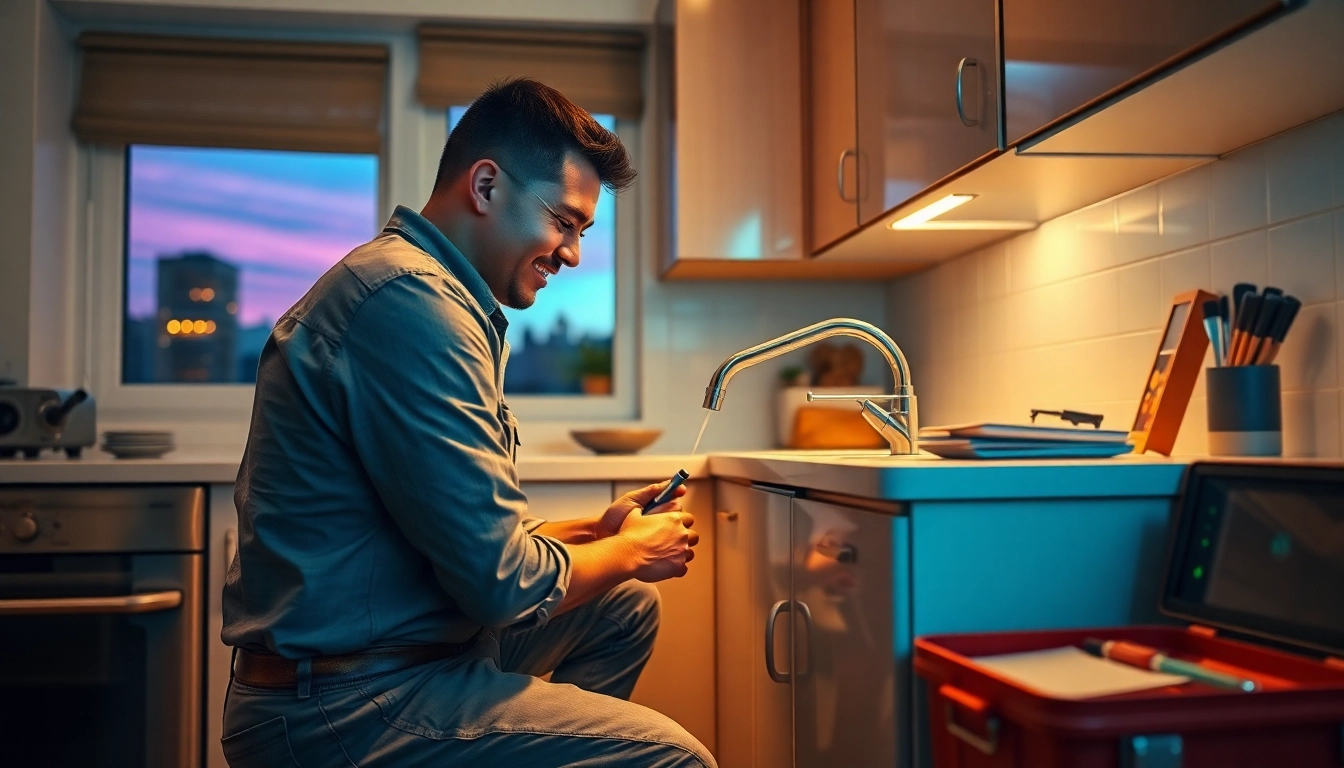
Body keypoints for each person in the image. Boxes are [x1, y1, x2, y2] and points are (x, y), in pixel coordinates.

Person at [220, 78, 715, 768]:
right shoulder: (410, 302)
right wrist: (632, 550)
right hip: (343, 703)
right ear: (486, 187)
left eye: (581, 232)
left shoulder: (428, 293)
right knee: (678, 758)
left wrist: (598, 532)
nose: (573, 252)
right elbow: (501, 585)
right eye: (564, 222)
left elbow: (464, 543)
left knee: (622, 609)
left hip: (395, 656)